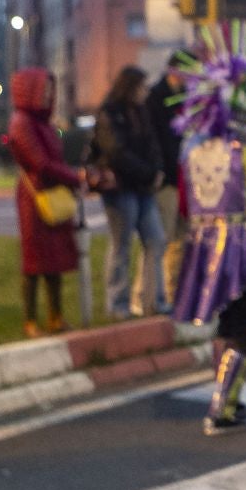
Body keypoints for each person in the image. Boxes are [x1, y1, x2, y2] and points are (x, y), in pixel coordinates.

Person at [171, 25, 246, 435]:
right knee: (244, 325)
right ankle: (224, 406)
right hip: (240, 242)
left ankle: (225, 396)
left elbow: (187, 195)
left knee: (225, 323)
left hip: (203, 241)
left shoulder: (193, 140)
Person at [6, 67, 84, 335]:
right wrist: (75, 177)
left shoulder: (42, 123)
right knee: (34, 261)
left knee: (54, 260)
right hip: (35, 196)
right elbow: (40, 163)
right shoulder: (22, 122)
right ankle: (30, 320)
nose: (48, 95)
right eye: (43, 89)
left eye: (50, 90)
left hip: (51, 193)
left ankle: (55, 317)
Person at [93, 65, 166, 319]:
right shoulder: (110, 113)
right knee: (120, 246)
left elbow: (153, 144)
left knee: (156, 240)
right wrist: (148, 172)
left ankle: (154, 300)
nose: (146, 92)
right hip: (121, 189)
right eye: (142, 87)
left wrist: (157, 170)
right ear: (131, 87)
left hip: (143, 188)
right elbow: (116, 152)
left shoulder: (141, 112)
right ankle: (117, 304)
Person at [146, 68, 187, 309]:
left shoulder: (181, 96)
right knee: (161, 240)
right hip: (168, 179)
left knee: (179, 239)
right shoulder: (157, 98)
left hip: (182, 177)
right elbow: (158, 139)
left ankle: (174, 293)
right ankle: (149, 296)